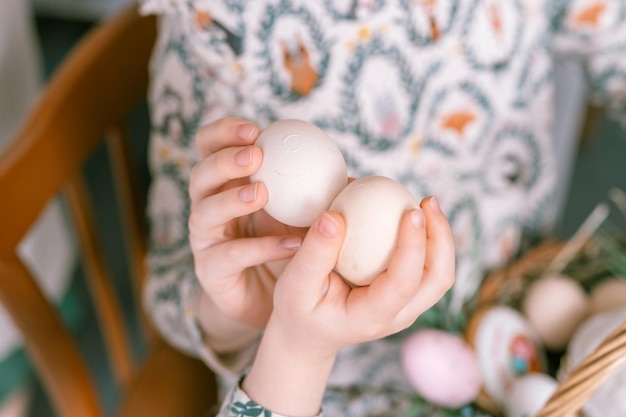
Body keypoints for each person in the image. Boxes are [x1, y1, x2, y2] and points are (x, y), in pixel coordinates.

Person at [138, 1, 626, 415]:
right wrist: (273, 326)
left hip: (523, 340)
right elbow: (175, 281)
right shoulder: (217, 14)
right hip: (326, 384)